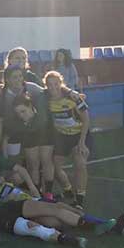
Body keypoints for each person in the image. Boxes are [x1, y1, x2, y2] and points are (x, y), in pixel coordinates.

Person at [0, 176, 124, 242]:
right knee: (57, 217)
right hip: (20, 212)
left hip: (32, 203)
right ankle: (107, 225)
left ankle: (105, 225)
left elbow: (19, 177)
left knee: (60, 215)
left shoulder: (0, 184)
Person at [44, 71, 91, 206]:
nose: (53, 87)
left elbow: (86, 119)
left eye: (56, 84)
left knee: (80, 163)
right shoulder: (46, 99)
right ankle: (68, 189)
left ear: (61, 83)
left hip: (79, 135)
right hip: (62, 137)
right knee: (54, 167)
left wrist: (82, 142)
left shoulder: (74, 98)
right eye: (49, 85)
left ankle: (79, 200)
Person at [11, 93, 56, 198]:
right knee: (33, 163)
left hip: (45, 132)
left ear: (30, 106)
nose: (21, 116)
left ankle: (48, 192)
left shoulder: (42, 114)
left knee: (46, 160)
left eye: (23, 111)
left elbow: (44, 91)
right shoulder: (20, 124)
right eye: (18, 113)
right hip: (29, 134)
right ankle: (37, 192)